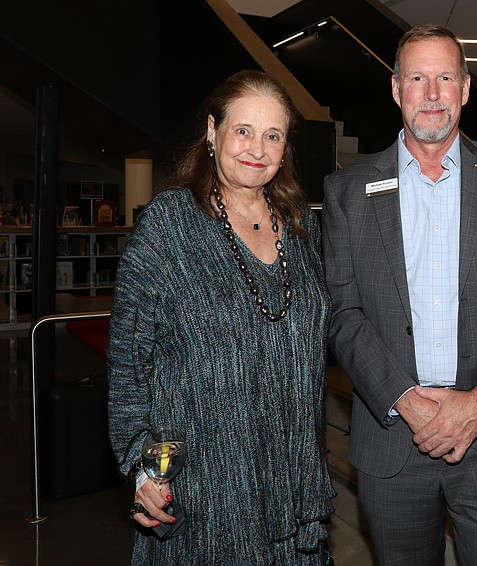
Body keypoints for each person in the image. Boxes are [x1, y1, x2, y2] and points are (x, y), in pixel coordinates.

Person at [321, 24, 477, 566]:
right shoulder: (346, 193)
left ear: (466, 88)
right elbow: (341, 311)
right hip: (392, 443)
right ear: (395, 89)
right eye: (418, 78)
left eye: (445, 78)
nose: (432, 94)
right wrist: (405, 400)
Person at [107, 70, 335, 565]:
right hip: (206, 503)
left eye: (273, 135)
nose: (258, 147)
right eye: (243, 130)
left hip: (296, 500)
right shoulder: (168, 226)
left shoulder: (300, 228)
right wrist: (142, 469)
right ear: (212, 132)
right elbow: (128, 365)